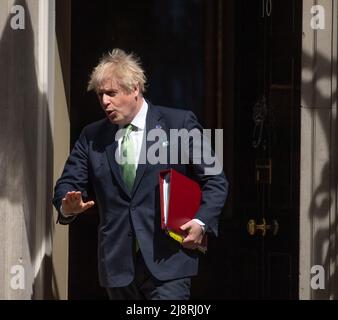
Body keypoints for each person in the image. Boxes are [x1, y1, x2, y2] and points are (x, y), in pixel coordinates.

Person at [53, 48, 228, 300]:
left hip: (169, 260)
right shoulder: (91, 136)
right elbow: (68, 182)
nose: (104, 102)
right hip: (117, 266)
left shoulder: (179, 123)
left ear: (135, 88)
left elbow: (216, 180)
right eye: (101, 95)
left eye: (111, 93)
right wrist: (68, 206)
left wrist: (201, 222)